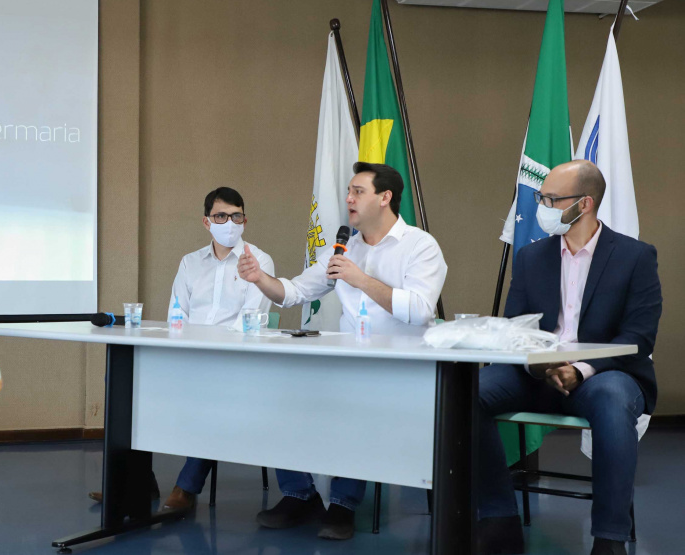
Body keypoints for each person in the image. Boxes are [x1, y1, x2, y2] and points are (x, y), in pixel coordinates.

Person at [237, 162, 447, 540]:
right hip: (348, 363)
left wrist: (361, 279)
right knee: (281, 394)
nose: (348, 198)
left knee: (358, 401)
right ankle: (299, 495)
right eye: (348, 191)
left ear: (385, 198)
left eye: (358, 191)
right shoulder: (345, 245)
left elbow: (419, 310)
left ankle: (343, 505)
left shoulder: (420, 245)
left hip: (402, 370)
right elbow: (295, 292)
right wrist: (260, 279)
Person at [476, 160, 662, 555]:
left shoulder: (635, 257)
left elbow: (639, 337)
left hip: (603, 375)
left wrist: (579, 369)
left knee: (613, 403)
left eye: (550, 199)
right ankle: (497, 519)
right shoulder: (531, 257)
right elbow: (516, 326)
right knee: (466, 393)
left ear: (585, 204)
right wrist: (537, 363)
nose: (542, 206)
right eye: (541, 197)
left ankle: (609, 538)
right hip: (535, 372)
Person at [89, 186, 275, 509]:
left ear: (245, 220)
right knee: (124, 380)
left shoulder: (258, 261)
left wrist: (207, 350)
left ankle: (186, 488)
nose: (229, 222)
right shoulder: (190, 263)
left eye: (236, 216)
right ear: (206, 222)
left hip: (232, 363)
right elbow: (178, 316)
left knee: (211, 393)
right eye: (221, 216)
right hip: (187, 357)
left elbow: (252, 321)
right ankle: (134, 481)